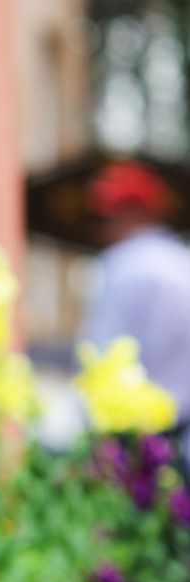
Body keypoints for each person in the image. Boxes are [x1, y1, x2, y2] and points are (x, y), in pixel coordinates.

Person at [80, 160, 190, 433]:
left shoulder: (123, 265)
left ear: (131, 212)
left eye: (106, 215)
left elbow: (100, 356)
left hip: (143, 433)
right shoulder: (181, 260)